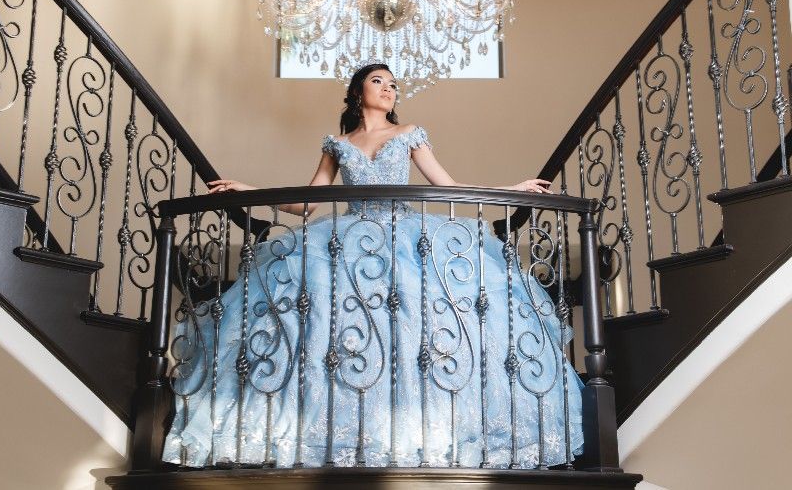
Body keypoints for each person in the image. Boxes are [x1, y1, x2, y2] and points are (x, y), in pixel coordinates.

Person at [162, 63, 584, 469]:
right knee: (326, 331)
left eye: (393, 84)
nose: (389, 88)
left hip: (405, 239)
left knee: (419, 330)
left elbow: (449, 186)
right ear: (357, 92)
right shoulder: (337, 143)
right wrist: (248, 190)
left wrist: (511, 189)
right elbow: (307, 203)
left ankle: (419, 436)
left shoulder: (409, 134)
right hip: (345, 241)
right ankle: (328, 434)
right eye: (378, 81)